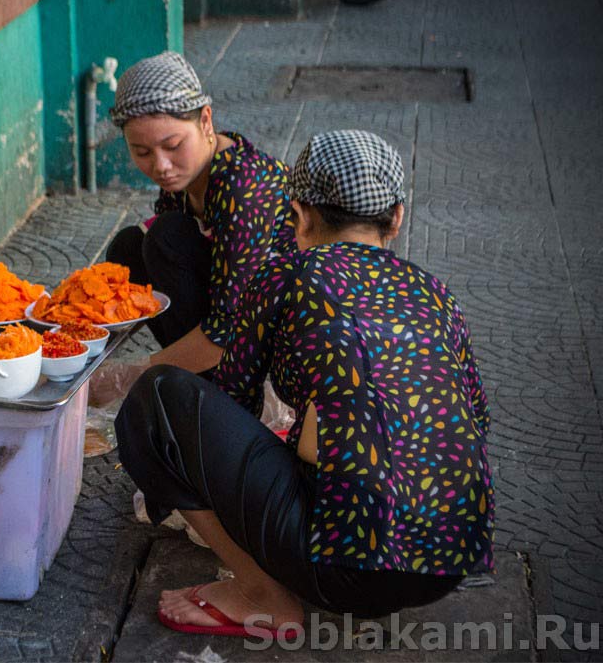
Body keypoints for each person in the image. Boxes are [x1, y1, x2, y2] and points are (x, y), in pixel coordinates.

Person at [116, 130, 494, 636]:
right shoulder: (437, 294)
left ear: (298, 215)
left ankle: (260, 593)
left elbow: (231, 398)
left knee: (156, 399)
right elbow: (475, 419)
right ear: (397, 218)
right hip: (450, 559)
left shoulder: (289, 277)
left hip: (344, 570)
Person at [102, 51, 293, 380]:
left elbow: (231, 328)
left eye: (173, 145)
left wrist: (131, 376)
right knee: (128, 249)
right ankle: (189, 374)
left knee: (165, 237)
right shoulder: (184, 175)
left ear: (206, 120)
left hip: (274, 341)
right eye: (142, 152)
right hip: (228, 314)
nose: (161, 166)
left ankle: (207, 385)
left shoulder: (243, 189)